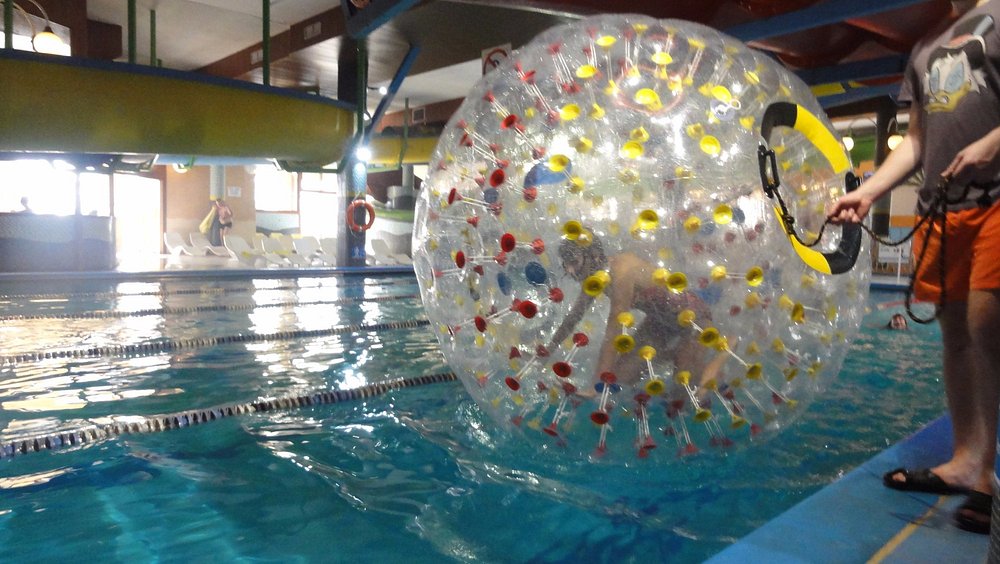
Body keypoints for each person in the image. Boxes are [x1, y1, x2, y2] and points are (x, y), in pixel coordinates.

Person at [828, 0, 1000, 535]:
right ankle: (966, 460)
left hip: (996, 199)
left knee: (986, 327)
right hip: (941, 209)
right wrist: (869, 191)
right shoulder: (924, 46)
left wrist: (993, 140)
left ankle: (986, 475)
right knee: (955, 337)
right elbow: (917, 142)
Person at [550, 232, 727, 389]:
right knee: (620, 379)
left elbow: (614, 328)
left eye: (574, 262)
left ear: (594, 255)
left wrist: (594, 387)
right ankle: (673, 354)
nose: (571, 270)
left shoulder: (621, 271)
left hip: (693, 317)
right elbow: (574, 316)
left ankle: (725, 345)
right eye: (566, 265)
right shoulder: (596, 278)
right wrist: (548, 350)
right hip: (659, 323)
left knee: (684, 389)